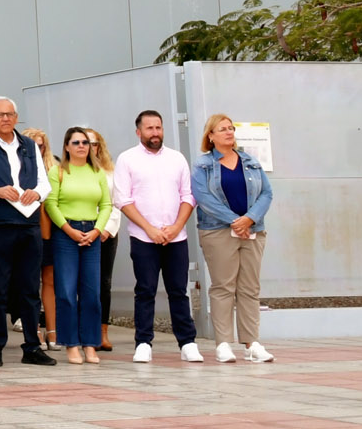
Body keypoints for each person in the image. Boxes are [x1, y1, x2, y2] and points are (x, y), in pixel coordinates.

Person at [0, 97, 56, 367]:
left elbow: (45, 182)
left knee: (30, 289)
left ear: (16, 118)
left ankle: (32, 346)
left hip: (29, 224)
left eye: (10, 114)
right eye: (0, 114)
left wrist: (37, 193)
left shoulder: (29, 145)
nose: (6, 119)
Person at [114, 109, 201, 363]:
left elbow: (188, 195)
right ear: (138, 131)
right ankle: (143, 342)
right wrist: (150, 229)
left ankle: (187, 343)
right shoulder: (127, 159)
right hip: (143, 237)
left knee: (178, 290)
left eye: (159, 128)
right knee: (145, 290)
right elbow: (123, 199)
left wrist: (175, 226)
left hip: (176, 236)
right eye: (150, 128)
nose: (155, 133)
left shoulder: (177, 159)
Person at [193, 115, 274, 364]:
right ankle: (224, 344)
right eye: (222, 129)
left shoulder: (250, 161)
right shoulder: (203, 165)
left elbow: (266, 193)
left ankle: (252, 344)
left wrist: (249, 218)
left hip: (252, 231)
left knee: (250, 287)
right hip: (218, 231)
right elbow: (203, 197)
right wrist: (234, 220)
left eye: (231, 128)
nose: (229, 132)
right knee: (223, 287)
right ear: (211, 136)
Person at [44, 126, 113, 364]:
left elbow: (106, 205)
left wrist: (96, 230)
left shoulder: (97, 173)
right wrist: (69, 230)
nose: (82, 146)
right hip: (66, 234)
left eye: (85, 142)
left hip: (92, 234)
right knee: (65, 290)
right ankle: (71, 344)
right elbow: (51, 204)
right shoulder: (58, 171)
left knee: (92, 293)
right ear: (66, 147)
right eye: (76, 142)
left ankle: (90, 344)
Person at [31, 127, 60, 349]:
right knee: (30, 283)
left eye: (41, 145)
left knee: (50, 282)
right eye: (33, 144)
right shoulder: (21, 166)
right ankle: (35, 331)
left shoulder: (55, 168)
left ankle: (53, 330)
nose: (38, 149)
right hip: (27, 229)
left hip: (50, 230)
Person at [90, 127, 119, 350]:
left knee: (103, 283)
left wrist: (105, 229)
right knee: (82, 283)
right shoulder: (69, 171)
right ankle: (84, 331)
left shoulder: (111, 172)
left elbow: (116, 202)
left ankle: (102, 332)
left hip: (106, 234)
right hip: (78, 232)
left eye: (93, 143)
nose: (88, 147)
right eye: (83, 142)